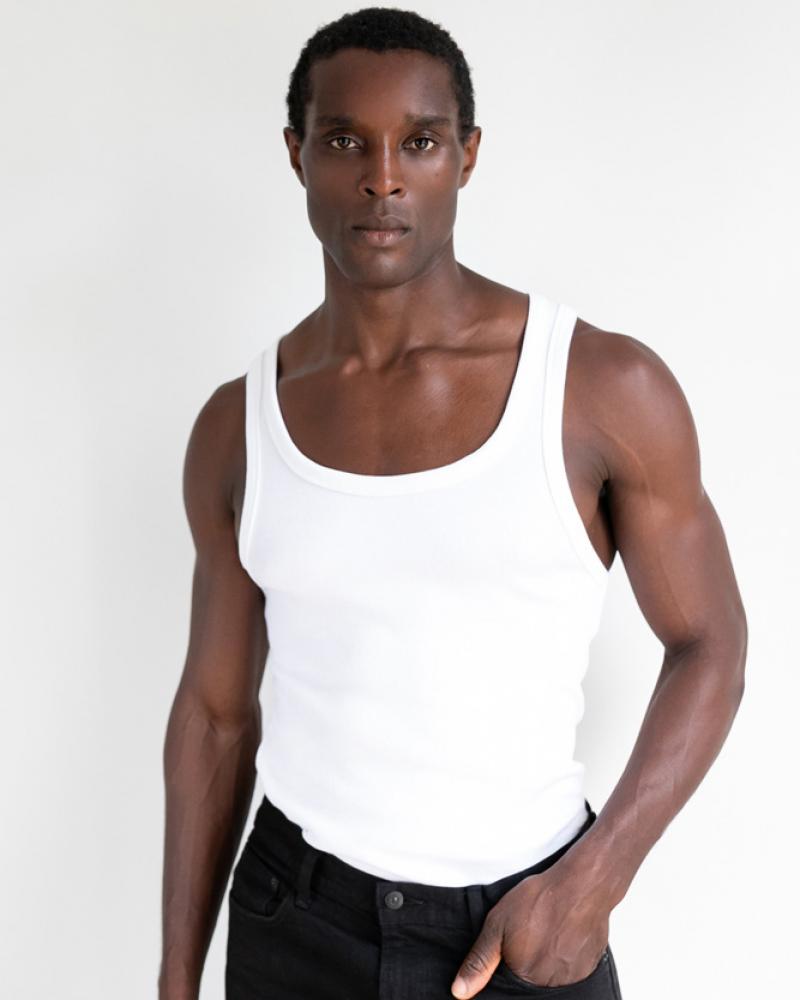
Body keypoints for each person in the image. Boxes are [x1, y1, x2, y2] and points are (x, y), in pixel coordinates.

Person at [158, 7, 747, 1000]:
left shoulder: (600, 388)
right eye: (345, 141)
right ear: (296, 153)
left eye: (420, 142)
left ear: (466, 155)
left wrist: (594, 880)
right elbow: (215, 716)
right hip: (294, 921)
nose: (382, 178)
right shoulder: (237, 428)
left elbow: (710, 643)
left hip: (524, 923)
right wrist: (177, 978)